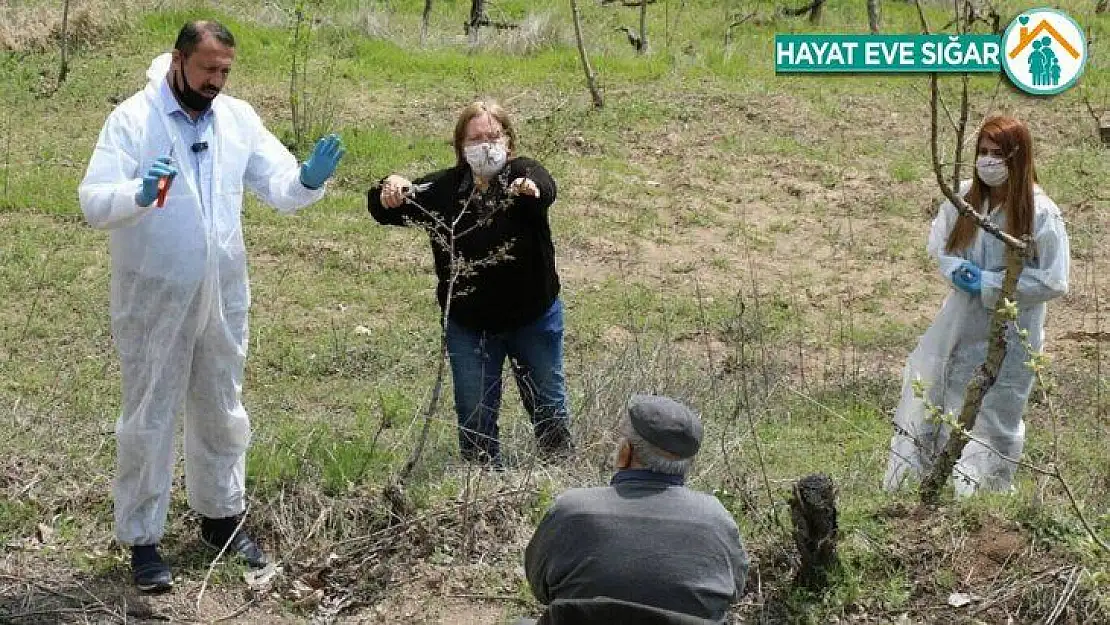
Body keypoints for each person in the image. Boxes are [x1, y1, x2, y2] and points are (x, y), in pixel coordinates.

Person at [78, 20, 344, 592]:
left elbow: (279, 185)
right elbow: (92, 200)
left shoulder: (237, 119)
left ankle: (221, 518)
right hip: (154, 294)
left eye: (225, 71)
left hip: (222, 293)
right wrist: (138, 195)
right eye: (207, 70)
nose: (216, 81)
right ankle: (143, 539)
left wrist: (308, 180)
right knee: (150, 411)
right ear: (179, 60)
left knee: (222, 404)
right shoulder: (132, 120)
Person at [367, 101, 572, 467]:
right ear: (461, 147)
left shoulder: (522, 176)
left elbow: (545, 185)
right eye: (476, 138)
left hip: (533, 320)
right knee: (475, 419)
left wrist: (529, 188)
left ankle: (560, 482)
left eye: (494, 136)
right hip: (470, 327)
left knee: (550, 411)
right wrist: (391, 185)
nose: (487, 145)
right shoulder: (445, 191)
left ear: (508, 142)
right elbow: (385, 208)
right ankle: (480, 492)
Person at [883, 115, 1069, 496]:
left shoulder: (1040, 212)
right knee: (936, 396)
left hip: (1012, 332)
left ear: (1017, 158)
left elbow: (1053, 279)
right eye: (982, 152)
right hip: (960, 322)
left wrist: (990, 283)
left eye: (997, 153)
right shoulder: (964, 199)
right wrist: (956, 271)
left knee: (994, 414)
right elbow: (940, 247)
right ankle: (921, 487)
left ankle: (981, 499)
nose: (988, 161)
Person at [522, 395, 749, 624]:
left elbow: (540, 587)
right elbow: (733, 591)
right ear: (687, 465)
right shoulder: (717, 520)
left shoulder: (570, 510)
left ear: (625, 453)